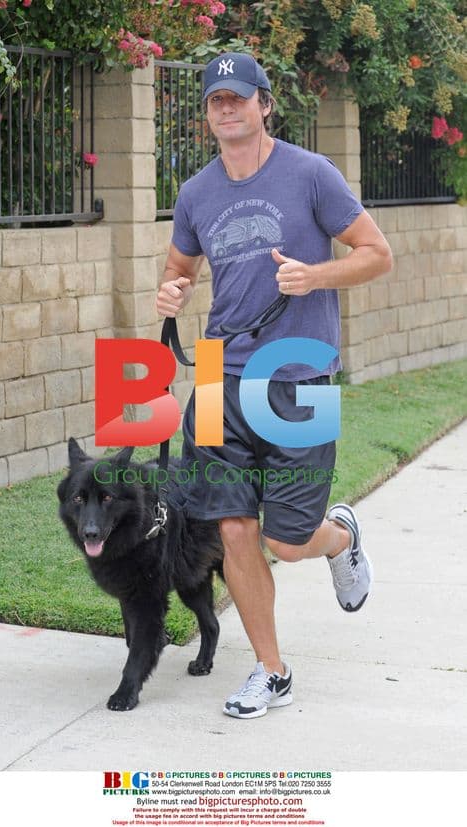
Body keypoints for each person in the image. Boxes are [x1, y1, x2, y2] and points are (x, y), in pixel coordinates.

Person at [156, 52, 393, 719]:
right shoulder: (197, 192)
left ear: (264, 105)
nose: (226, 108)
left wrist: (316, 276)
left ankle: (339, 535)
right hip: (214, 374)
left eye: (239, 97)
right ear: (207, 116)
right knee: (232, 529)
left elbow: (378, 253)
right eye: (215, 100)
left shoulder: (311, 174)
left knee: (288, 541)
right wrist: (173, 289)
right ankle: (271, 670)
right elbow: (180, 264)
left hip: (299, 375)